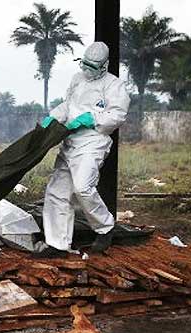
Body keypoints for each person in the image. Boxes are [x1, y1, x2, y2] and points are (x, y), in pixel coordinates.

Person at [35, 41, 130, 258]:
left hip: (92, 142)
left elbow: (117, 116)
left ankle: (105, 227)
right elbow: (68, 105)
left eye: (92, 67)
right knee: (57, 191)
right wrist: (54, 117)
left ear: (104, 66)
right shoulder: (77, 79)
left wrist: (91, 118)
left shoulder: (114, 85)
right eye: (84, 64)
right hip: (70, 141)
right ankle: (58, 244)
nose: (87, 70)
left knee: (82, 187)